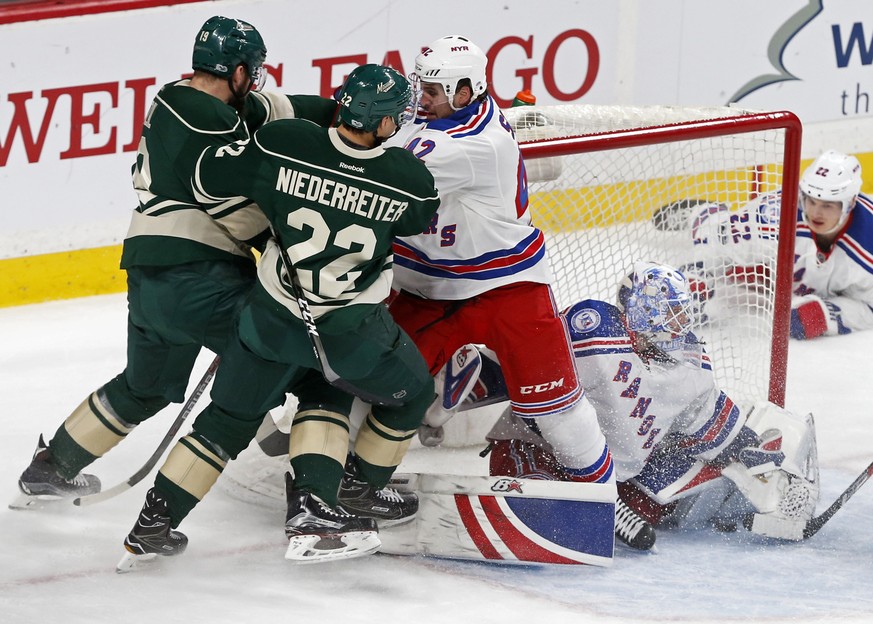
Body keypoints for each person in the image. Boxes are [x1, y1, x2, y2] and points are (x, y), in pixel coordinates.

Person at [117, 64, 440, 569]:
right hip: (346, 332)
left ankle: (151, 525)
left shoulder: (285, 142)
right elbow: (419, 218)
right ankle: (351, 494)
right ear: (381, 122)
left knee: (224, 423)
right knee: (394, 394)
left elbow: (210, 177)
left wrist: (273, 202)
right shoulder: (409, 180)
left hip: (268, 321)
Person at [10, 15, 339, 511]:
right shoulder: (196, 118)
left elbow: (292, 110)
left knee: (144, 387)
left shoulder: (202, 101)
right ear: (239, 70)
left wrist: (346, 115)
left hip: (151, 271)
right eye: (254, 70)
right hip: (199, 273)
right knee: (295, 365)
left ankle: (51, 467)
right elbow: (239, 207)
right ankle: (312, 496)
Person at [388, 35, 614, 490]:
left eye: (432, 93)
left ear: (466, 92)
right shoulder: (452, 114)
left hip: (507, 288)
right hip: (427, 288)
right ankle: (345, 477)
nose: (422, 101)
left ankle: (601, 491)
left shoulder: (468, 146)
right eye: (422, 89)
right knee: (378, 387)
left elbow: (382, 176)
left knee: (559, 408)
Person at [480, 261, 820, 549]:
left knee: (658, 501)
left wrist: (747, 448)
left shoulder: (689, 362)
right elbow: (528, 355)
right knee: (545, 488)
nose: (681, 322)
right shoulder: (596, 327)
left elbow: (707, 418)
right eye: (671, 312)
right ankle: (586, 504)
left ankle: (605, 501)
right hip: (538, 447)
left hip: (615, 474)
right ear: (644, 310)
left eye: (681, 312)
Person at [654, 149, 873, 341]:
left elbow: (869, 307)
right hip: (777, 263)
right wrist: (694, 279)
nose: (815, 213)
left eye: (827, 206)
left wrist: (828, 315)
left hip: (833, 283)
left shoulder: (868, 244)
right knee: (732, 261)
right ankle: (702, 213)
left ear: (850, 203)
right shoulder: (775, 215)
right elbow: (717, 243)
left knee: (802, 318)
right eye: (811, 201)